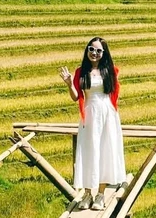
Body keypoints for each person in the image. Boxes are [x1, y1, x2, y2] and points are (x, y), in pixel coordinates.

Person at [59, 36, 127, 211]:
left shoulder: (110, 71)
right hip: (89, 115)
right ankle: (88, 193)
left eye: (98, 50)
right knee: (89, 151)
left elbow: (113, 92)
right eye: (91, 49)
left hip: (107, 115)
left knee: (105, 151)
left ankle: (100, 194)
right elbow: (76, 97)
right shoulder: (81, 71)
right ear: (87, 50)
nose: (94, 53)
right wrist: (68, 83)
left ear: (103, 53)